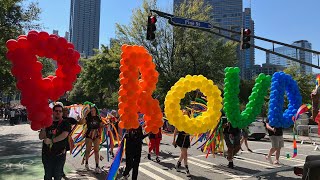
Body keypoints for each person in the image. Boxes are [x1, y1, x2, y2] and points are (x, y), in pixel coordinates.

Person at [39, 104, 71, 180]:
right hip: (47, 155)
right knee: (47, 176)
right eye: (56, 111)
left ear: (62, 113)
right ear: (52, 112)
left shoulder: (65, 123)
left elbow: (64, 135)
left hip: (59, 155)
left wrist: (52, 141)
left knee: (57, 176)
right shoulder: (47, 123)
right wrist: (43, 129)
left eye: (60, 111)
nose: (58, 112)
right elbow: (41, 137)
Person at [79, 104, 103, 173]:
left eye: (93, 110)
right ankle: (86, 163)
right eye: (91, 111)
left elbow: (101, 125)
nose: (92, 112)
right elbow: (81, 122)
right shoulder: (88, 117)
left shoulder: (98, 117)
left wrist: (107, 124)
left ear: (96, 111)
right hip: (89, 134)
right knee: (88, 150)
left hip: (96, 134)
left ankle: (97, 165)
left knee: (96, 150)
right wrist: (85, 115)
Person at [172, 109, 191, 177]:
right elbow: (175, 131)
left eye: (186, 113)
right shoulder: (179, 121)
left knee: (183, 154)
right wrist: (174, 140)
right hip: (181, 138)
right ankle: (187, 170)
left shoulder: (190, 121)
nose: (185, 114)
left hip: (187, 139)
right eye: (184, 113)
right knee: (185, 154)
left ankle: (177, 165)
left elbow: (192, 129)